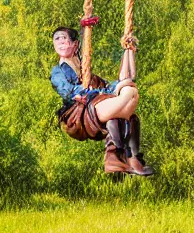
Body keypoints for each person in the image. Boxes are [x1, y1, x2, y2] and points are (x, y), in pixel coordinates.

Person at [49, 26, 154, 176]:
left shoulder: (88, 74)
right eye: (56, 39)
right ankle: (124, 158)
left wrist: (128, 51)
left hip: (96, 107)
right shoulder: (58, 71)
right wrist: (89, 92)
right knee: (129, 91)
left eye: (63, 38)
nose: (60, 42)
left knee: (130, 110)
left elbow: (111, 85)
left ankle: (124, 159)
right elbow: (66, 89)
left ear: (75, 44)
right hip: (79, 115)